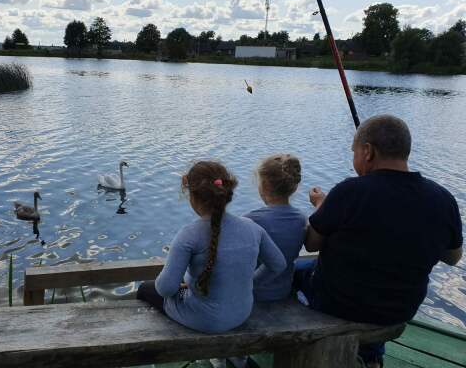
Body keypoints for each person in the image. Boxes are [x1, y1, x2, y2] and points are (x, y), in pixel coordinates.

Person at [294, 115, 463, 368]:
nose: (354, 160)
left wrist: (322, 204)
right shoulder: (443, 199)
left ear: (368, 152)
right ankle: (371, 356)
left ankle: (283, 349)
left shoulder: (349, 192)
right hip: (400, 309)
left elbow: (312, 243)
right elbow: (453, 257)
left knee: (284, 273)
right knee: (380, 277)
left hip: (337, 303)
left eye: (354, 152)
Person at [136, 161, 287, 334]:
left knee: (145, 289)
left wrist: (185, 282)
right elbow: (278, 265)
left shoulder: (188, 235)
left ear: (192, 196)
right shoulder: (253, 227)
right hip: (242, 313)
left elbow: (165, 288)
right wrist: (250, 282)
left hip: (204, 320)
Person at [244, 154, 307, 302]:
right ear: (294, 186)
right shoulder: (301, 218)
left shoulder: (250, 220)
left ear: (264, 186)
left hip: (253, 293)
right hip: (283, 291)